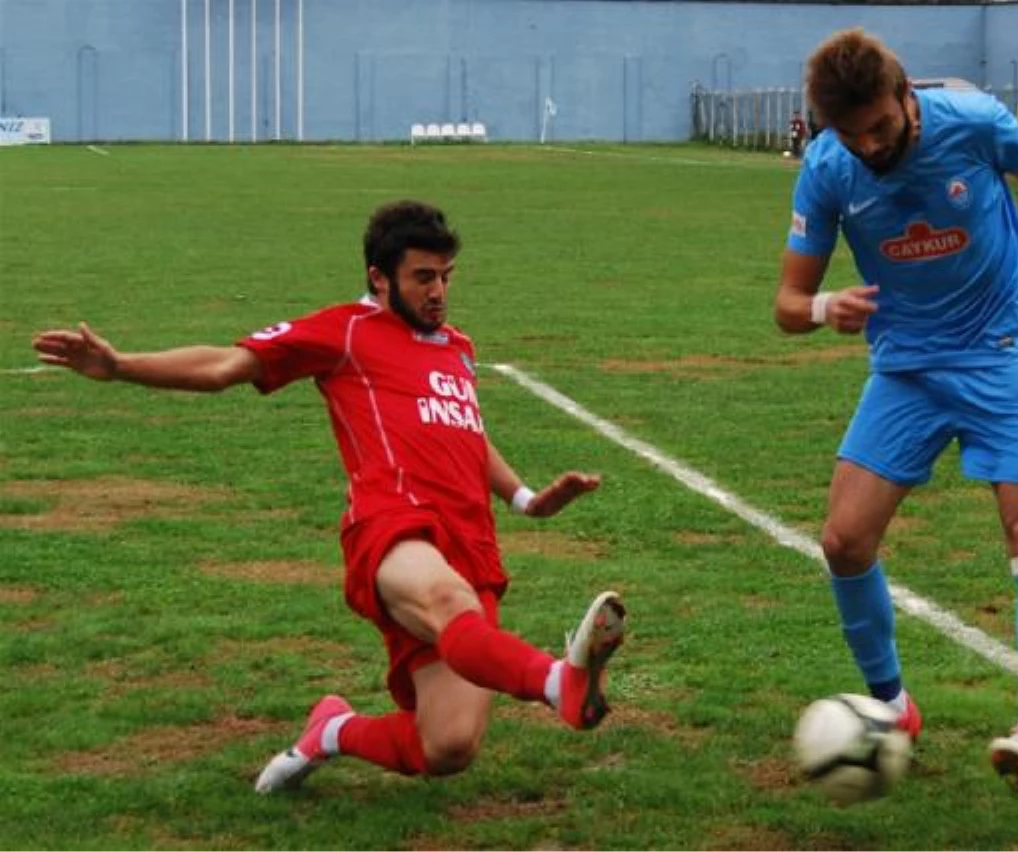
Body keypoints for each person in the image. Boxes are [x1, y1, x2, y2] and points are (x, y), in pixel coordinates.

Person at [31, 200, 627, 794]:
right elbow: (223, 366)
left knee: (446, 747)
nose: (439, 291)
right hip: (392, 525)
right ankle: (558, 681)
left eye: (446, 276)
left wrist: (525, 499)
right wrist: (122, 365)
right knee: (448, 601)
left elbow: (464, 428)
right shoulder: (345, 330)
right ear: (379, 277)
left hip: (470, 542)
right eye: (423, 277)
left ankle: (333, 732)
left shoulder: (457, 346)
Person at [775, 29, 1018, 793]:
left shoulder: (973, 121)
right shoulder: (828, 168)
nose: (869, 146)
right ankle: (892, 709)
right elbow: (786, 304)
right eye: (850, 135)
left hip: (1007, 350)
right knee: (844, 541)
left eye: (880, 127)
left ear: (906, 97)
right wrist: (825, 306)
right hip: (909, 368)